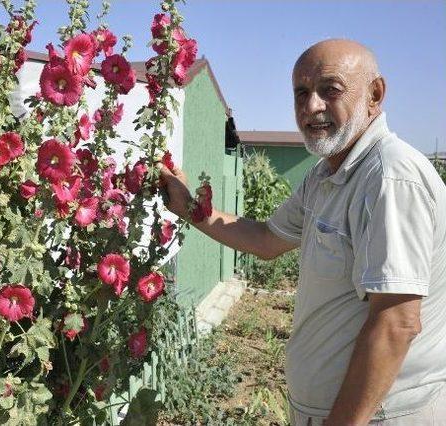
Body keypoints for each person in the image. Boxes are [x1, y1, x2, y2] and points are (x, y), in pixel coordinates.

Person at [159, 39, 446, 425]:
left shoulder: (389, 178)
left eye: (330, 89)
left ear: (374, 94)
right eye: (302, 93)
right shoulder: (326, 176)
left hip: (381, 416)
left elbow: (396, 322)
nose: (312, 107)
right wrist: (191, 209)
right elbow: (266, 239)